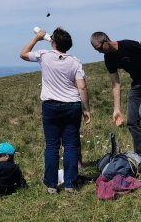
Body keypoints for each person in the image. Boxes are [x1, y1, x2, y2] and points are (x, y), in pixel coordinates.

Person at [21, 28, 91, 193]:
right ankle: (70, 184)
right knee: (71, 145)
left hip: (50, 105)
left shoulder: (44, 55)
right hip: (72, 105)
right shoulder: (75, 61)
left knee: (52, 145)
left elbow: (23, 54)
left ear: (53, 42)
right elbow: (82, 86)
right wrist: (86, 109)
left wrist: (37, 39)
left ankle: (52, 185)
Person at [91, 31, 141, 166]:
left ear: (106, 40)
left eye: (100, 48)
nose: (100, 52)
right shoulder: (109, 58)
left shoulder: (129, 45)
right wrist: (117, 109)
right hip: (136, 85)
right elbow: (115, 84)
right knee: (132, 121)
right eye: (96, 50)